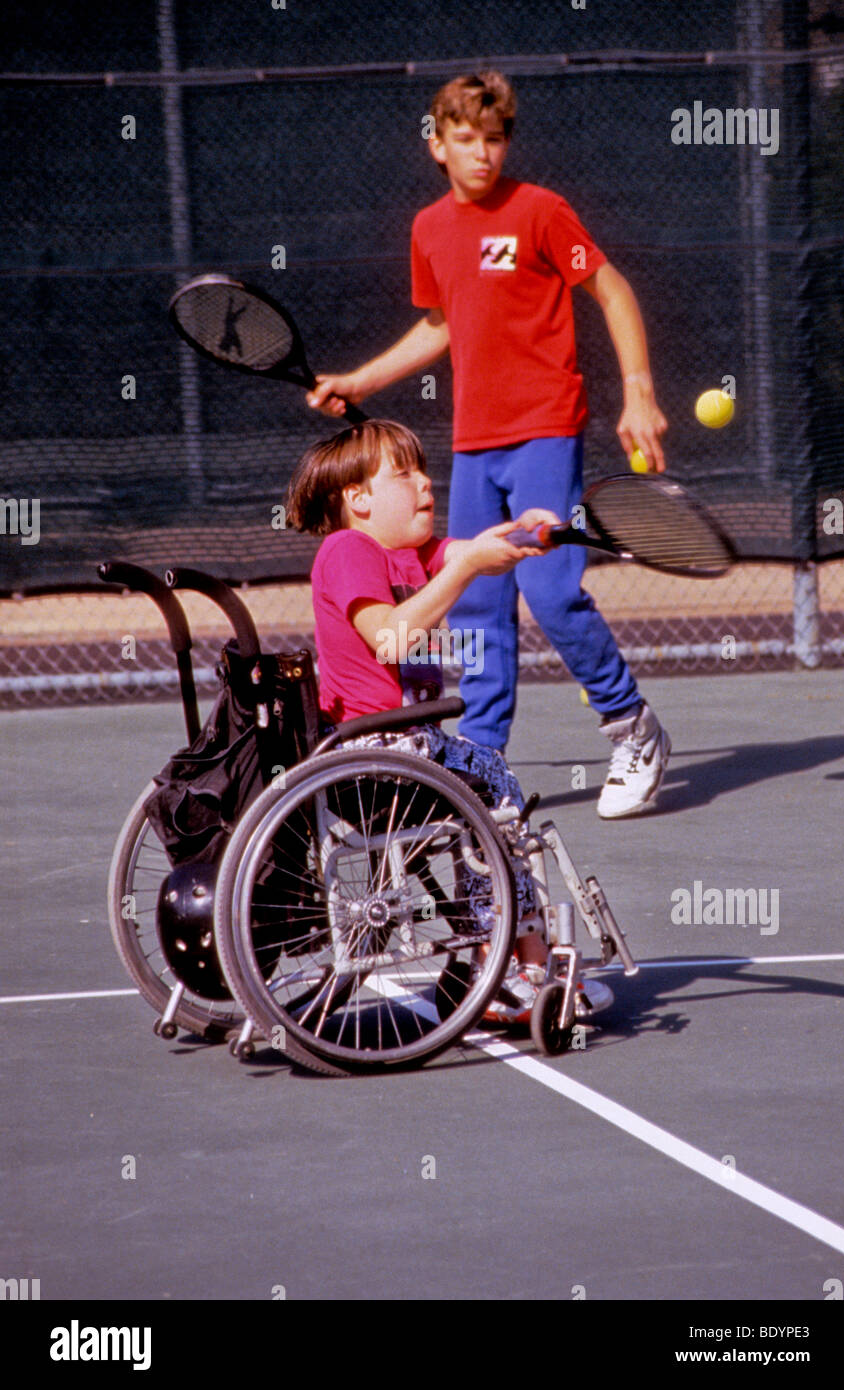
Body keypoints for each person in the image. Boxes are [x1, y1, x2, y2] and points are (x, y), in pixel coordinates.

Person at [307, 70, 671, 819]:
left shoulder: (540, 211)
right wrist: (360, 378)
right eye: (466, 140)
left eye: (495, 139)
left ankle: (632, 727)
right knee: (475, 601)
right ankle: (481, 766)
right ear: (437, 145)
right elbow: (440, 324)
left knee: (549, 589)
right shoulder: (429, 229)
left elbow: (612, 289)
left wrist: (638, 391)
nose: (483, 154)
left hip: (544, 426)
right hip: (474, 441)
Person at [285, 417, 612, 1023]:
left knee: (488, 790)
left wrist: (527, 531)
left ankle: (506, 957)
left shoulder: (407, 555)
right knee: (495, 791)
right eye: (403, 473)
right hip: (374, 757)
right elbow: (388, 640)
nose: (426, 483)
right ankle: (511, 961)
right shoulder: (348, 550)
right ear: (357, 499)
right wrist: (463, 570)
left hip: (404, 751)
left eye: (423, 468)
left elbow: (472, 551)